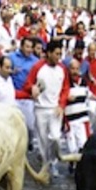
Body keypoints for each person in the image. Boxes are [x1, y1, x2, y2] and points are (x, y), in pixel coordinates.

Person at [21, 39, 69, 179]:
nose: (58, 57)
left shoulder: (62, 69)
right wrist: (32, 88)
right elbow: (27, 84)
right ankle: (46, 164)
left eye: (60, 54)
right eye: (56, 53)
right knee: (42, 139)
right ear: (48, 53)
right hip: (40, 108)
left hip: (55, 109)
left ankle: (53, 161)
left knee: (55, 137)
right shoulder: (37, 67)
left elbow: (66, 88)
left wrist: (61, 105)